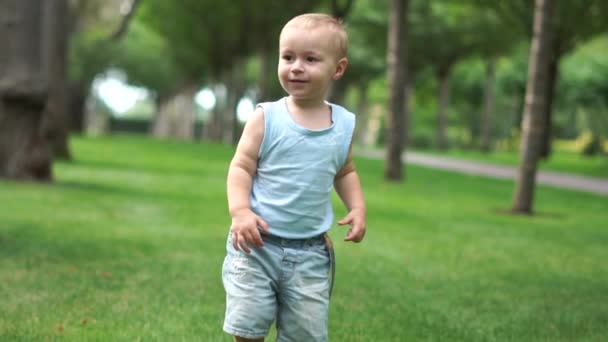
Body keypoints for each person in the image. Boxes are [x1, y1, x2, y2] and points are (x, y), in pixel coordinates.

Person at [222, 13, 367, 342]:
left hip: (310, 253)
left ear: (338, 68)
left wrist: (357, 207)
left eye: (310, 59)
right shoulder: (266, 117)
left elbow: (345, 170)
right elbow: (241, 166)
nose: (296, 66)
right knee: (248, 326)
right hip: (256, 247)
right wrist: (240, 211)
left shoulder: (342, 124)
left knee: (305, 335)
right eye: (288, 57)